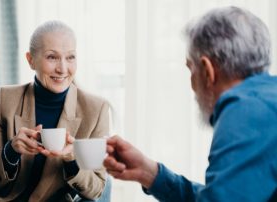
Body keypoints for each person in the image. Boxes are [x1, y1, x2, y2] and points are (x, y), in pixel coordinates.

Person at [104, 6, 277, 202]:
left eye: (190, 69)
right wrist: (150, 174)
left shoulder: (246, 111)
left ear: (207, 70)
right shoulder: (266, 102)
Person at [0, 21, 109, 202]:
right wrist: (11, 151)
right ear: (30, 60)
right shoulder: (5, 99)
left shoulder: (95, 110)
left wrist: (71, 159)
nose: (62, 68)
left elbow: (96, 189)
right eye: (52, 57)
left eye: (70, 57)